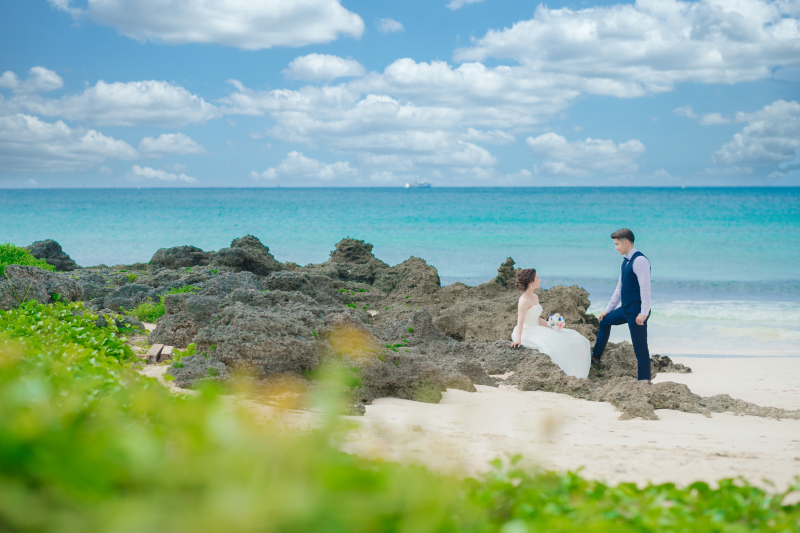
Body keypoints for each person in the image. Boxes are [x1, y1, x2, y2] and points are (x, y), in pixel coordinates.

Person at [592, 228, 652, 381]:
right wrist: (608, 310)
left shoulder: (640, 261)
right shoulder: (624, 263)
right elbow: (619, 289)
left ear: (626, 242)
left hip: (637, 311)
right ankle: (596, 356)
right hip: (626, 309)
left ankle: (644, 383)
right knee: (604, 321)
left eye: (617, 244)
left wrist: (644, 313)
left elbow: (645, 288)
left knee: (640, 349)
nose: (616, 247)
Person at [510, 268, 591, 379]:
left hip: (538, 328)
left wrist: (552, 326)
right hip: (527, 331)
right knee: (554, 345)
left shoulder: (535, 297)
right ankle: (567, 373)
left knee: (574, 338)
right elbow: (520, 323)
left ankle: (576, 371)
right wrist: (518, 340)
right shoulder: (523, 301)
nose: (540, 279)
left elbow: (537, 319)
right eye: (537, 278)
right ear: (530, 282)